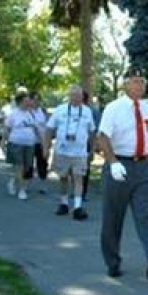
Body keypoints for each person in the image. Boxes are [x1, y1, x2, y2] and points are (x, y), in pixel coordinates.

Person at [97, 67, 148, 280]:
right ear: (126, 84)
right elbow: (103, 137)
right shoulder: (113, 108)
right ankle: (112, 261)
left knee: (146, 215)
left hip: (143, 166)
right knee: (113, 217)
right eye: (135, 81)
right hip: (119, 165)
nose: (139, 86)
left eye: (142, 82)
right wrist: (113, 161)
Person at [43, 84, 96, 220]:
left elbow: (92, 132)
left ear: (82, 97)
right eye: (73, 96)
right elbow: (49, 129)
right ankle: (64, 203)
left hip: (80, 153)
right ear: (69, 97)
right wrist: (46, 147)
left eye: (79, 96)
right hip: (62, 151)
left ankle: (78, 207)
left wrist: (93, 149)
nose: (76, 98)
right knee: (63, 178)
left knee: (79, 178)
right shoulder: (60, 110)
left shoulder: (86, 111)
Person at [4, 90, 39, 200]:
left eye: (29, 100)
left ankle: (12, 182)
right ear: (19, 102)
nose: (28, 103)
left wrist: (42, 141)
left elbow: (36, 128)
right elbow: (7, 128)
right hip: (16, 143)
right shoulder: (13, 114)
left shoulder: (31, 113)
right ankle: (22, 190)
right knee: (19, 166)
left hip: (30, 144)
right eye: (26, 101)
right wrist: (4, 141)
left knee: (26, 167)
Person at [25, 92, 49, 194]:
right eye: (34, 99)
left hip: (41, 142)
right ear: (29, 100)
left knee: (42, 164)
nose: (37, 102)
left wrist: (47, 143)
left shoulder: (42, 111)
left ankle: (42, 185)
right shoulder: (26, 112)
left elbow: (47, 127)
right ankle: (26, 185)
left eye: (38, 99)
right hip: (29, 142)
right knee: (28, 164)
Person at [81, 90, 102, 201]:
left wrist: (94, 147)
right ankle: (78, 192)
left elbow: (97, 130)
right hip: (76, 145)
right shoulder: (70, 110)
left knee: (84, 169)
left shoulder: (92, 112)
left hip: (87, 144)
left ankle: (82, 193)